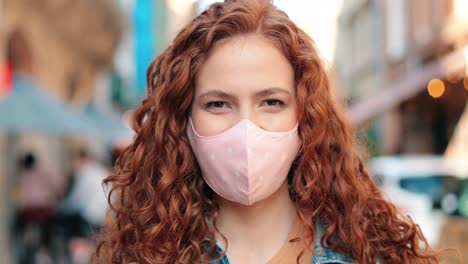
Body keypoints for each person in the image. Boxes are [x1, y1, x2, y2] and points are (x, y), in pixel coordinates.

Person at [92, 1, 443, 263]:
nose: (247, 129)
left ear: (305, 117)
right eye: (218, 104)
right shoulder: (148, 255)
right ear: (183, 120)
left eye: (271, 102)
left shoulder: (367, 256)